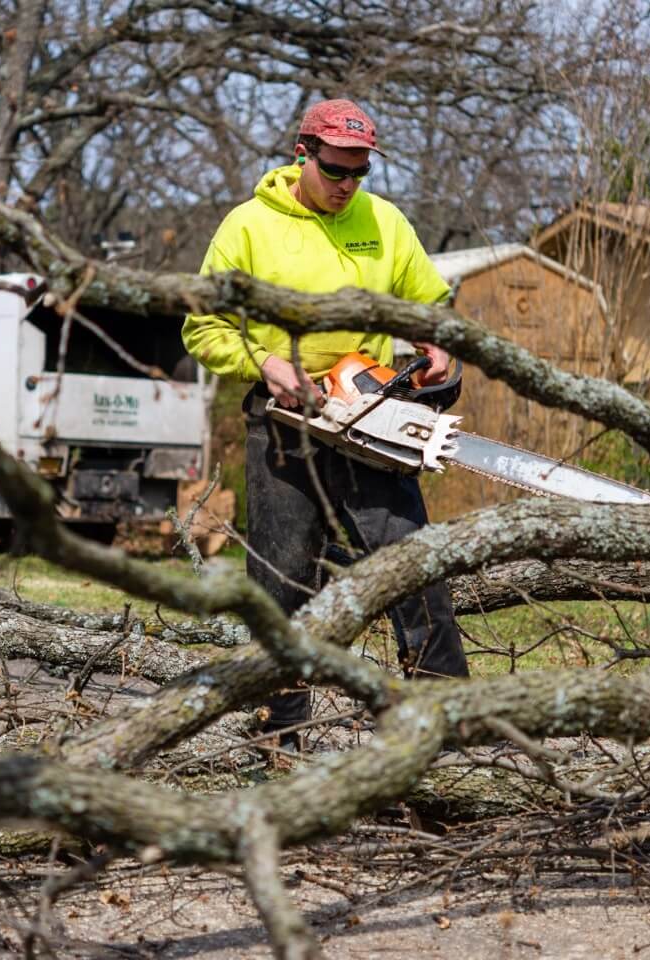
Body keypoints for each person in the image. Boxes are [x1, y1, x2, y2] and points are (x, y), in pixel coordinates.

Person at [182, 99, 469, 750]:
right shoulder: (248, 227)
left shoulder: (384, 222)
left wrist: (436, 344)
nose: (346, 186)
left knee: (413, 568)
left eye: (358, 174)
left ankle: (448, 731)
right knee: (281, 585)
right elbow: (203, 326)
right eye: (336, 171)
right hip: (283, 419)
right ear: (302, 155)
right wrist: (264, 361)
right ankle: (279, 739)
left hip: (368, 414)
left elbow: (429, 301)